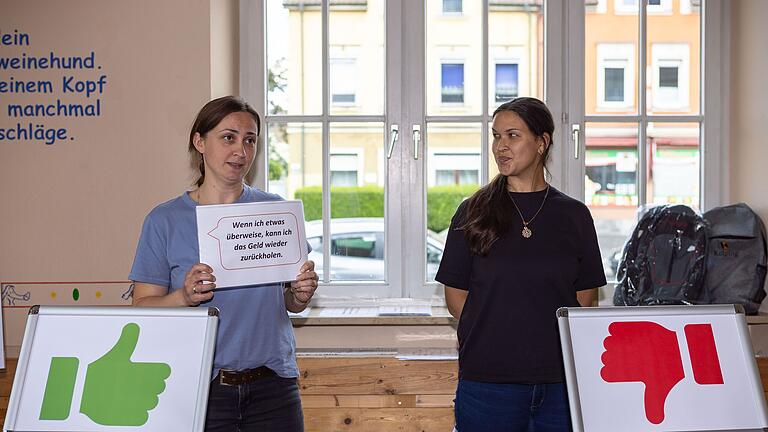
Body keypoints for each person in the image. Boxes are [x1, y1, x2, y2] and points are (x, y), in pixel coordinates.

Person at [129, 96, 318, 432]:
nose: (241, 151)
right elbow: (142, 308)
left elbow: (290, 302)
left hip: (273, 386)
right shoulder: (164, 220)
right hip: (196, 386)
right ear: (199, 142)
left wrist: (300, 295)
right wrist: (184, 297)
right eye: (228, 137)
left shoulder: (276, 213)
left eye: (250, 140)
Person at [436, 97, 606, 432]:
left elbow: (585, 298)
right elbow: (456, 295)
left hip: (560, 383)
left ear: (542, 142)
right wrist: (500, 334)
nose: (501, 146)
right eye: (496, 136)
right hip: (488, 383)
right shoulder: (472, 212)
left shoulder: (574, 216)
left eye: (512, 135)